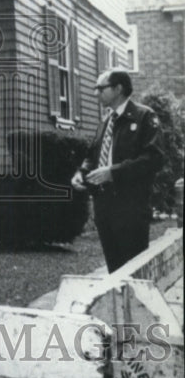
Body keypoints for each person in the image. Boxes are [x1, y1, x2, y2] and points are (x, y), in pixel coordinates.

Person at [71, 67, 164, 272]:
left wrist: (113, 172)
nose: (96, 93)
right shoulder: (106, 121)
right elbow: (92, 155)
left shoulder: (144, 117)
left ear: (118, 88)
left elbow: (154, 158)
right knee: (115, 270)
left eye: (101, 88)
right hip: (104, 207)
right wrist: (82, 173)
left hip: (131, 207)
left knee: (134, 271)